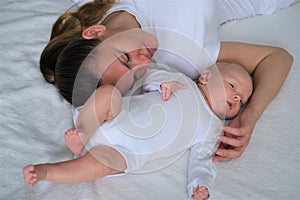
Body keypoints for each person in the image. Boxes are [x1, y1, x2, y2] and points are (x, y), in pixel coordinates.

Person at [40, 0, 294, 162]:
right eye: (136, 75)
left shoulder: (93, 6)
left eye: (125, 58)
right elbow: (276, 58)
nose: (143, 63)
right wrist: (251, 114)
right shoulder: (187, 56)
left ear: (94, 32)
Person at [23, 62, 253, 200]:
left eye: (240, 99)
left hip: (127, 152)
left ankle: (48, 172)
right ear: (206, 76)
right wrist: (164, 83)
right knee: (108, 94)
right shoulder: (182, 81)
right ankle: (83, 134)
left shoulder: (213, 128)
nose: (235, 97)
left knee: (102, 165)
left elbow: (203, 160)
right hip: (116, 117)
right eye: (232, 86)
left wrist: (201, 184)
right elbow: (149, 73)